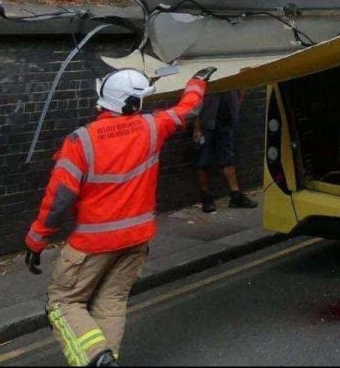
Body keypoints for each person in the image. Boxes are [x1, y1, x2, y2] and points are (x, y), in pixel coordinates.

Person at [24, 67, 216, 367]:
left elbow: (58, 202)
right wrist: (198, 80)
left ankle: (95, 360)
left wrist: (35, 242)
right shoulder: (153, 127)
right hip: (137, 240)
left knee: (62, 303)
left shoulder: (81, 141)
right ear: (135, 103)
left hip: (92, 244)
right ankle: (107, 361)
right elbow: (189, 108)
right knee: (110, 302)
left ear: (105, 99)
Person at [193, 90, 257, 212]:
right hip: (206, 122)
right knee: (203, 160)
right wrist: (197, 127)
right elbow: (194, 101)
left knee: (228, 158)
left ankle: (235, 195)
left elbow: (241, 88)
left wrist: (236, 107)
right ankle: (206, 197)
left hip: (226, 122)